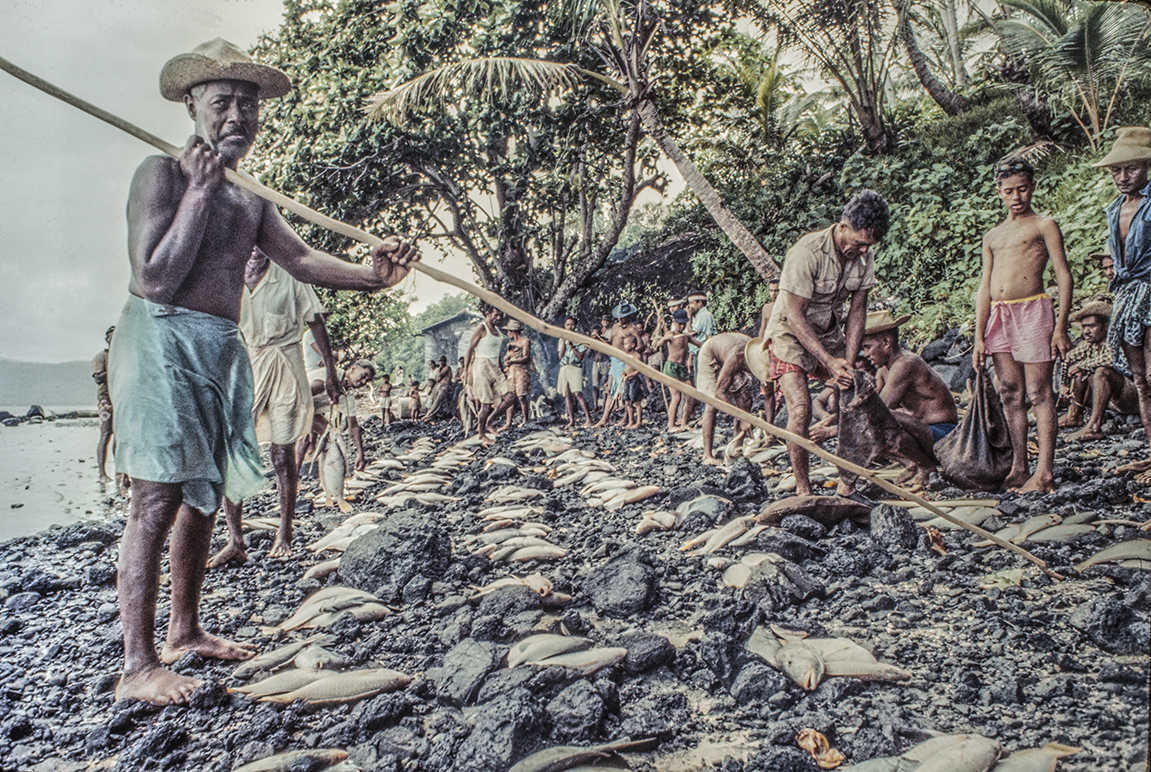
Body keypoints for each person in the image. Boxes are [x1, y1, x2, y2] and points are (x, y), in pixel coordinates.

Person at [108, 40, 418, 706]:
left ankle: (184, 630)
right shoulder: (160, 174)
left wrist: (371, 276)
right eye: (221, 102)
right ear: (193, 106)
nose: (236, 116)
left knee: (201, 493)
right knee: (156, 499)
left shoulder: (249, 199)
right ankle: (137, 667)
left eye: (248, 105)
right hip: (161, 341)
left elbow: (303, 262)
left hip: (220, 345)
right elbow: (155, 278)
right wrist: (197, 193)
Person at [208, 246, 341, 568]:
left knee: (282, 456)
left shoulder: (291, 275)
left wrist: (332, 372)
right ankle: (235, 539)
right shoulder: (228, 275)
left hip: (285, 365)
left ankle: (284, 532)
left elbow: (316, 322)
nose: (253, 248)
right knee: (233, 454)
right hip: (245, 366)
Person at [763, 190, 887, 496]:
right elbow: (794, 315)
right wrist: (829, 363)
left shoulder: (864, 255)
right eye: (858, 243)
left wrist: (847, 359)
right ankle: (804, 489)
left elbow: (858, 311)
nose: (861, 250)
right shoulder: (807, 252)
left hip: (829, 332)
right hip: (790, 333)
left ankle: (847, 484)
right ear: (843, 226)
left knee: (856, 392)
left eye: (868, 246)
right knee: (801, 409)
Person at [974, 157, 1073, 492]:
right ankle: (1019, 466)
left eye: (1023, 189)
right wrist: (978, 336)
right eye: (1009, 191)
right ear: (999, 192)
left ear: (1032, 188)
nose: (1017, 197)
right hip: (1000, 315)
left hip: (1033, 310)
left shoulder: (1043, 225)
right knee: (1010, 392)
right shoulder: (993, 236)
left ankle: (1044, 472)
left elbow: (1063, 274)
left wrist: (1060, 326)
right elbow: (985, 287)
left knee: (1039, 392)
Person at [1095, 128, 1151, 481]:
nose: (1122, 177)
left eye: (1129, 169)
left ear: (1145, 166)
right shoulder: (1115, 209)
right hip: (1128, 295)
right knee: (1141, 381)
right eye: (1116, 170)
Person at [1060, 300, 1138, 441]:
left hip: (1130, 394)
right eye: (1084, 327)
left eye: (1092, 326)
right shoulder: (1090, 344)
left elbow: (1111, 359)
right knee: (1079, 373)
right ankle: (1074, 415)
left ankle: (1094, 426)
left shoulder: (1114, 340)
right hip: (1109, 398)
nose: (1086, 331)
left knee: (1102, 371)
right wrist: (1064, 383)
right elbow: (1069, 358)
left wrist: (1082, 365)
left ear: (1105, 326)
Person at [697, 332, 756, 465]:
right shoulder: (737, 356)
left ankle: (737, 448)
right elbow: (719, 393)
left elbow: (769, 396)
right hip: (711, 353)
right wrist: (742, 418)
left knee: (744, 397)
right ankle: (707, 455)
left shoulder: (761, 357)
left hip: (730, 354)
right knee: (712, 404)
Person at [464, 305, 516, 444]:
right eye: (495, 315)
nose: (498, 318)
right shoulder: (482, 328)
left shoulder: (498, 330)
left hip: (495, 366)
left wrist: (500, 367)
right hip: (481, 366)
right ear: (488, 314)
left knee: (510, 395)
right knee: (485, 405)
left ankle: (490, 420)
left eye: (500, 316)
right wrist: (465, 370)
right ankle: (481, 434)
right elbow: (470, 349)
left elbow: (497, 353)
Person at [592, 303, 640, 428]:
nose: (620, 319)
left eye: (623, 317)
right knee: (610, 390)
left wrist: (631, 356)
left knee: (622, 391)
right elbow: (611, 342)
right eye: (619, 317)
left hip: (624, 361)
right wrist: (598, 339)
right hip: (614, 360)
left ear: (629, 316)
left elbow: (640, 345)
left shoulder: (632, 329)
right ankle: (605, 418)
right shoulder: (614, 327)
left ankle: (625, 419)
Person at [652, 309, 700, 431]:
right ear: (674, 322)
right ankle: (671, 425)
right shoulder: (671, 335)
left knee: (691, 395)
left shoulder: (686, 336)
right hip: (671, 368)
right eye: (680, 323)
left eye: (684, 323)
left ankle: (683, 423)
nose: (682, 326)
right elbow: (658, 344)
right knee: (676, 397)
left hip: (682, 369)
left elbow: (700, 344)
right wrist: (662, 340)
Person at [680, 291, 717, 424]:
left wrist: (688, 318)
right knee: (698, 383)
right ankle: (703, 414)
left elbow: (690, 334)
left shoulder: (704, 316)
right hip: (697, 353)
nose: (689, 306)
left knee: (704, 384)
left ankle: (706, 415)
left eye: (692, 303)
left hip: (703, 352)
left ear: (699, 303)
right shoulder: (698, 316)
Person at [557, 316, 592, 427]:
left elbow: (580, 356)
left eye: (572, 324)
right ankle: (571, 420)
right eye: (567, 324)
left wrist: (572, 345)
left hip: (575, 367)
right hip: (564, 367)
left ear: (575, 326)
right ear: (564, 326)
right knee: (567, 395)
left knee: (577, 393)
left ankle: (588, 419)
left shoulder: (579, 339)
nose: (570, 327)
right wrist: (564, 341)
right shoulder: (561, 338)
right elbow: (560, 356)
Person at [93, 325, 116, 483]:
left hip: (120, 401)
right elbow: (98, 377)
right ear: (107, 339)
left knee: (120, 438)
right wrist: (113, 370)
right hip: (106, 401)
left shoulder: (121, 357)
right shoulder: (101, 356)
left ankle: (120, 473)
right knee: (106, 434)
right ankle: (102, 473)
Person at [502, 319, 532, 428]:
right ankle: (508, 422)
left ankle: (525, 420)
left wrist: (513, 361)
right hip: (511, 371)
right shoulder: (510, 344)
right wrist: (507, 361)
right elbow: (507, 357)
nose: (507, 333)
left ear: (514, 331)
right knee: (509, 396)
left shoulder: (525, 341)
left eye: (509, 331)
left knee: (521, 396)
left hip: (521, 370)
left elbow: (526, 357)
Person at [620, 336, 647, 429]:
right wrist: (624, 374)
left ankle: (639, 421)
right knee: (627, 401)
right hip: (627, 380)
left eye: (626, 344)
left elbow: (639, 370)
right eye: (624, 344)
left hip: (634, 380)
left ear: (633, 345)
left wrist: (630, 375)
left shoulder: (637, 356)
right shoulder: (626, 355)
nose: (624, 346)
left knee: (636, 402)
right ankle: (631, 421)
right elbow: (626, 367)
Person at [590, 315, 612, 410]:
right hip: (596, 363)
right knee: (595, 385)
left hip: (605, 361)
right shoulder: (593, 338)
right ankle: (595, 405)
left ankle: (604, 404)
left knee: (604, 383)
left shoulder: (609, 333)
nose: (605, 322)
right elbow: (588, 354)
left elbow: (608, 344)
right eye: (603, 320)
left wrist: (598, 337)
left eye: (607, 320)